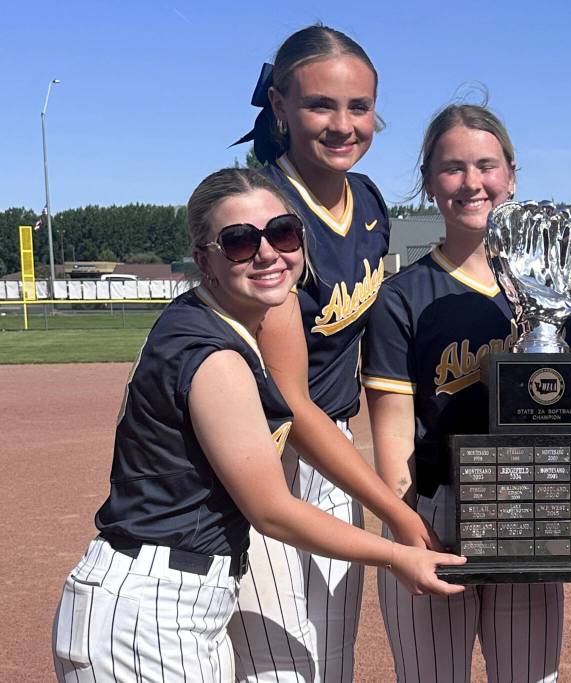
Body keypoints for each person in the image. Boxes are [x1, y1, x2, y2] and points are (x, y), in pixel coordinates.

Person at [50, 168, 465, 683]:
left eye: (283, 232)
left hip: (172, 603)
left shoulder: (215, 321)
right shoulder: (214, 358)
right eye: (240, 242)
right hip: (147, 613)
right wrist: (396, 554)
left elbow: (296, 415)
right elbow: (272, 511)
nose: (268, 252)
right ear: (205, 260)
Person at [229, 25, 439, 682]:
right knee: (278, 661)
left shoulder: (369, 201)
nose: (344, 124)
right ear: (280, 105)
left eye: (359, 107)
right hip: (258, 448)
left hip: (329, 443)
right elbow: (289, 399)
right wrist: (395, 508)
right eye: (322, 105)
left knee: (333, 650)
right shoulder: (264, 208)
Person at [361, 103, 571, 682]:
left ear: (511, 175)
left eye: (487, 166)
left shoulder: (564, 289)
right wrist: (406, 530)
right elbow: (393, 432)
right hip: (436, 509)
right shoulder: (404, 296)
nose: (472, 183)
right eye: (452, 168)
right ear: (428, 182)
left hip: (532, 509)